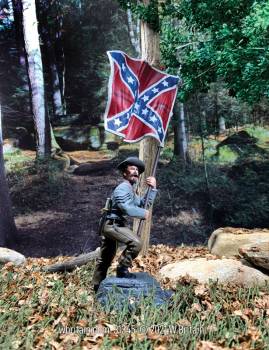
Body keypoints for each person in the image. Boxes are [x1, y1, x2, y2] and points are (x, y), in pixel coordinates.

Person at [92, 156, 157, 292]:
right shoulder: (123, 188)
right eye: (132, 168)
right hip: (112, 225)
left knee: (105, 258)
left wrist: (152, 189)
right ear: (124, 173)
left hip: (115, 225)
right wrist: (142, 213)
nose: (136, 172)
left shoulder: (130, 189)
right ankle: (122, 269)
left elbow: (142, 204)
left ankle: (97, 287)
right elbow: (126, 208)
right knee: (136, 243)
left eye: (138, 170)